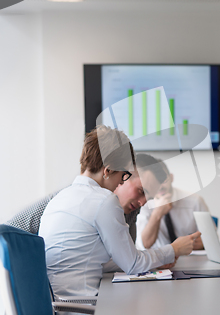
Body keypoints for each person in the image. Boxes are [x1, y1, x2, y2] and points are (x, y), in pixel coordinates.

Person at [39, 126, 200, 297]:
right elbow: (134, 265)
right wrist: (173, 249)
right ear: (107, 170)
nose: (121, 182)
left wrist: (155, 261)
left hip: (58, 303)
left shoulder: (59, 198)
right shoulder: (104, 201)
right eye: (123, 174)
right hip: (82, 305)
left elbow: (101, 261)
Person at [136, 159, 208, 250]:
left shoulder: (195, 201)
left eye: (163, 179)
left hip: (189, 257)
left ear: (171, 178)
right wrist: (157, 213)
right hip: (159, 259)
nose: (160, 185)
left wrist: (204, 243)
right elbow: (144, 245)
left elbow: (210, 239)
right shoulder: (144, 203)